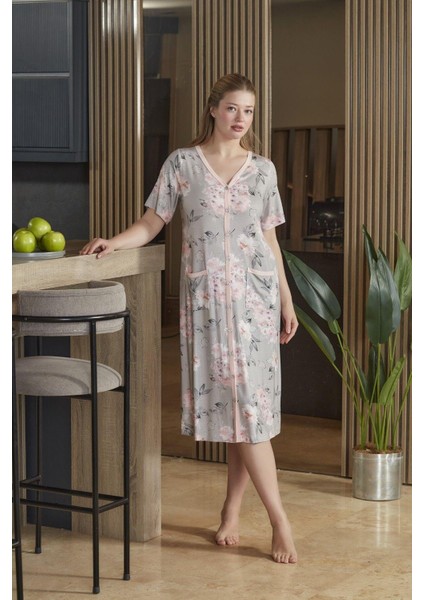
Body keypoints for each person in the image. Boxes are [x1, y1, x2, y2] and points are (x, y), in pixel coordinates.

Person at [80, 73, 298, 564]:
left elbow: (270, 241)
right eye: (232, 108)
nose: (241, 119)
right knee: (237, 411)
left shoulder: (263, 171)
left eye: (248, 111)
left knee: (249, 413)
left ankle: (274, 520)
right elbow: (152, 222)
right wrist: (115, 242)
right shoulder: (182, 164)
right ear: (213, 109)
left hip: (255, 304)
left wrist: (286, 302)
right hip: (208, 307)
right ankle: (237, 512)